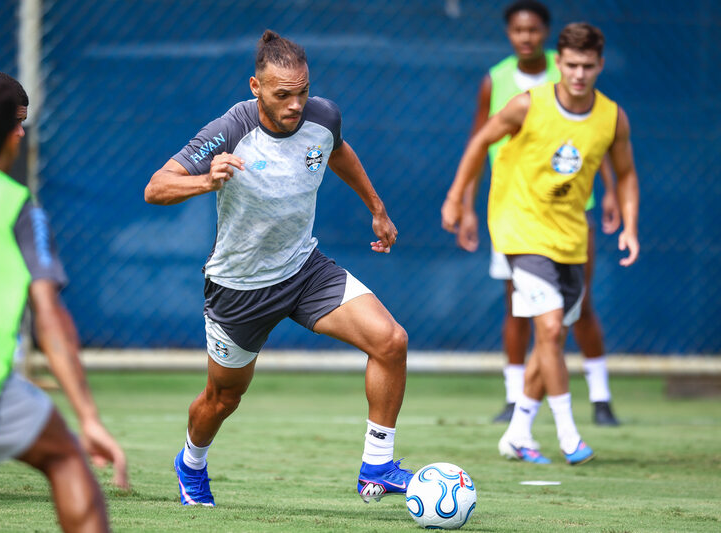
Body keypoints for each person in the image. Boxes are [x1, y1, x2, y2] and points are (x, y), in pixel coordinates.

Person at [145, 30, 411, 506]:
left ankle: (377, 467)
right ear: (256, 86)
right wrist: (208, 180)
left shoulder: (323, 116)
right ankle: (191, 463)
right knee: (223, 399)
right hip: (239, 287)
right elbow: (156, 187)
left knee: (390, 341)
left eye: (302, 91)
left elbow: (338, 150)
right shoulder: (229, 129)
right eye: (282, 94)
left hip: (304, 269)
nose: (295, 104)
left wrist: (377, 207)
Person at [0, 71, 128, 532]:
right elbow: (49, 316)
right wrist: (88, 417)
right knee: (66, 459)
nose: (21, 130)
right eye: (18, 124)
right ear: (14, 138)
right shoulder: (19, 206)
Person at [441, 23, 640, 464]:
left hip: (570, 238)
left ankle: (516, 433)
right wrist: (458, 198)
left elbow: (625, 173)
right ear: (560, 63)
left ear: (600, 65)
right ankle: (570, 436)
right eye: (571, 65)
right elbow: (480, 142)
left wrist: (629, 225)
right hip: (520, 229)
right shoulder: (527, 105)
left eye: (588, 66)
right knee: (548, 329)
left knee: (552, 340)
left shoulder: (611, 117)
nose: (579, 74)